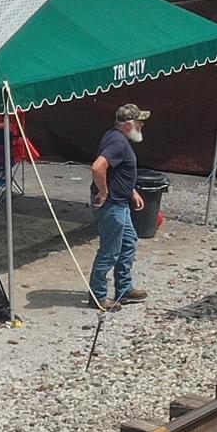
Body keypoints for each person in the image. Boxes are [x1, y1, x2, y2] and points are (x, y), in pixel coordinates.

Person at [88, 102, 151, 310]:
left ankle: (124, 289)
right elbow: (98, 167)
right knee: (110, 251)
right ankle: (98, 296)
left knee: (129, 242)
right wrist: (104, 192)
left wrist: (131, 190)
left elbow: (118, 170)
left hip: (121, 202)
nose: (142, 124)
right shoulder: (118, 142)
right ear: (129, 124)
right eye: (140, 121)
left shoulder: (116, 137)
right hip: (112, 205)